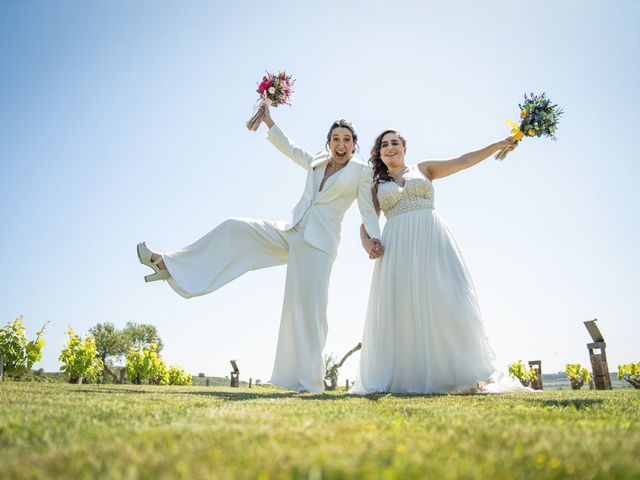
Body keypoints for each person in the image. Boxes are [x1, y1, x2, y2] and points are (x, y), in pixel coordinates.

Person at [137, 108, 383, 393]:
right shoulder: (316, 160)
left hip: (319, 244)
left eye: (347, 140)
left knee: (309, 310)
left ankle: (309, 383)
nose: (341, 145)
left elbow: (367, 209)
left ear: (355, 144)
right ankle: (168, 264)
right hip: (292, 231)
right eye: (336, 139)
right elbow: (290, 149)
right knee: (234, 228)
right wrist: (268, 122)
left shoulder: (361, 172)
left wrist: (374, 240)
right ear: (328, 142)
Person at [352, 129, 528, 394]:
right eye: (384, 145)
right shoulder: (377, 186)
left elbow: (464, 160)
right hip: (397, 247)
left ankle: (465, 373)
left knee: (448, 299)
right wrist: (367, 243)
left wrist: (497, 145)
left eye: (395, 143)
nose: (390, 148)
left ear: (405, 147)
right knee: (404, 306)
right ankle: (411, 375)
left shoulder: (424, 169)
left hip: (432, 240)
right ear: (379, 153)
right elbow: (366, 223)